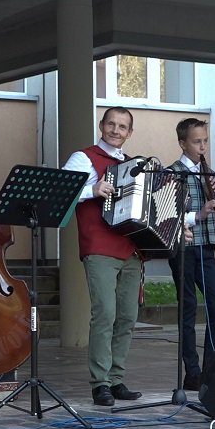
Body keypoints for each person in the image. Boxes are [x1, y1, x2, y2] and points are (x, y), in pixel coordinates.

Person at [62, 106, 145, 407]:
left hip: (131, 248)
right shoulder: (83, 157)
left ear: (129, 133)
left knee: (127, 316)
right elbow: (62, 191)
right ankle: (100, 384)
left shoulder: (135, 165)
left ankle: (116, 379)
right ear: (101, 125)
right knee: (105, 314)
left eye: (123, 127)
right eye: (111, 124)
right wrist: (92, 189)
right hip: (99, 247)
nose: (116, 130)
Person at [167, 118, 215, 391]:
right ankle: (192, 372)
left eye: (205, 141)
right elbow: (167, 214)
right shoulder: (172, 173)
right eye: (196, 141)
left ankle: (212, 366)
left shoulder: (208, 172)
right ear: (183, 143)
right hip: (183, 249)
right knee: (188, 309)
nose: (202, 146)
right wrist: (198, 214)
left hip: (207, 248)